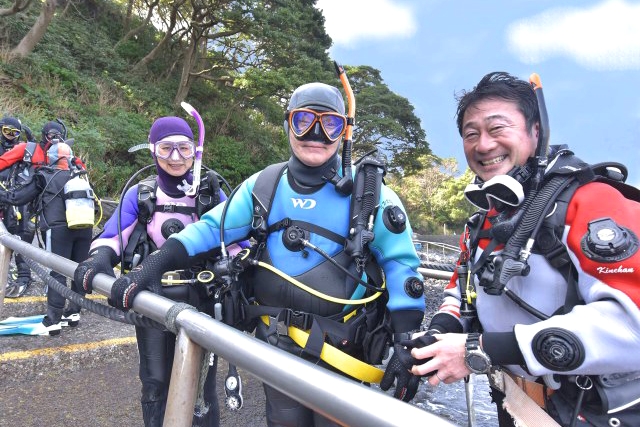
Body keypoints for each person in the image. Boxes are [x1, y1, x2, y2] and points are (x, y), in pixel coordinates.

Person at [97, 82, 425, 426]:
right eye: (303, 121)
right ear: (287, 125)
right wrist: (151, 266)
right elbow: (209, 229)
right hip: (277, 346)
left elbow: (401, 264)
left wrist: (406, 343)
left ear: (344, 131)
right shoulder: (265, 185)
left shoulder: (369, 195)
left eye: (330, 124)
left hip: (343, 349)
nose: (316, 134)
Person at [406, 72, 640, 426]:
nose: (483, 145)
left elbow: (631, 325)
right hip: (514, 403)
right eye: (471, 134)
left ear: (535, 132)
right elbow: (461, 291)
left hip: (591, 411)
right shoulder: (485, 220)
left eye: (497, 128)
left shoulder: (593, 202)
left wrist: (477, 351)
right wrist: (439, 332)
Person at [74, 116, 247, 427]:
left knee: (201, 387)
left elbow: (239, 244)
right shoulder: (141, 195)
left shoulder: (211, 194)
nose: (176, 158)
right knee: (154, 381)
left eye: (184, 148)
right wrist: (97, 259)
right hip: (152, 300)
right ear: (153, 151)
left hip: (202, 300)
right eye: (167, 149)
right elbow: (113, 236)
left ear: (196, 151)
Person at [0, 141, 93, 335]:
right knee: (78, 270)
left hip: (58, 231)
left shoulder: (43, 175)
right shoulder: (79, 176)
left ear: (49, 158)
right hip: (85, 229)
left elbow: (17, 198)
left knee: (56, 272)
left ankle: (52, 321)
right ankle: (73, 313)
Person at [0, 116, 35, 297]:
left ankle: (24, 277)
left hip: (18, 199)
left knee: (22, 236)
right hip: (3, 197)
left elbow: (38, 157)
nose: (11, 136)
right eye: (7, 131)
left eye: (15, 133)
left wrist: (32, 140)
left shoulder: (22, 149)